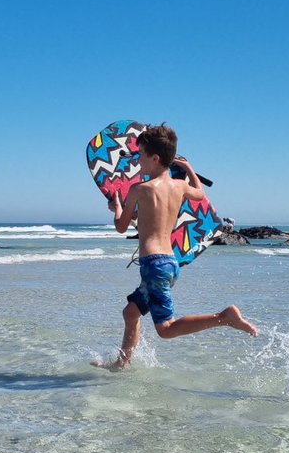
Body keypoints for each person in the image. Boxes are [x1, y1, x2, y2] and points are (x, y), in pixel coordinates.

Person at [95, 124, 258, 370]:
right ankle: (122, 363)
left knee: (166, 329)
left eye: (140, 155)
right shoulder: (180, 187)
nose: (138, 160)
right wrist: (189, 169)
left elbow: (121, 226)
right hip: (169, 262)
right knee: (131, 313)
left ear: (155, 158)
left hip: (153, 266)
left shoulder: (139, 190)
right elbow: (200, 194)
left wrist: (116, 205)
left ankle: (224, 318)